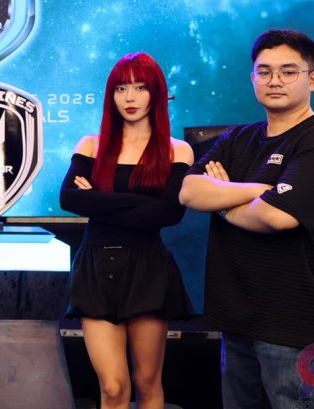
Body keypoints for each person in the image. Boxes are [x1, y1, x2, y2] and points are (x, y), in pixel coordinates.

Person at [179, 29, 314, 408]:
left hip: (298, 324)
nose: (275, 80)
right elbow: (189, 191)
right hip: (237, 318)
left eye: (288, 71)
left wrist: (223, 198)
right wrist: (259, 190)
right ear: (253, 77)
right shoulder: (237, 139)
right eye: (264, 71)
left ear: (313, 79)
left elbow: (277, 217)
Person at [60, 52, 195, 409]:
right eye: (121, 89)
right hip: (95, 267)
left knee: (148, 383)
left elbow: (169, 213)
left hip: (148, 267)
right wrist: (141, 203)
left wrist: (99, 200)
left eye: (139, 87)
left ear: (156, 93)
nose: (129, 97)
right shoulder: (91, 145)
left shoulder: (177, 151)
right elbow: (69, 199)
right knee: (113, 387)